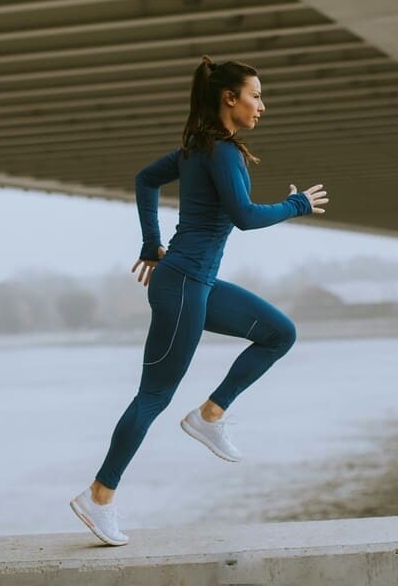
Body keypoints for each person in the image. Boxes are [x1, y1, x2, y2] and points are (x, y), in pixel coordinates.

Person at [69, 56, 328, 546]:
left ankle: (211, 414)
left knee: (280, 333)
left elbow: (146, 179)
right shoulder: (219, 152)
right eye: (255, 95)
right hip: (185, 285)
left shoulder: (198, 149)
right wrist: (297, 204)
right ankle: (99, 497)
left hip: (194, 282)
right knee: (152, 397)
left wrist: (152, 244)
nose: (262, 106)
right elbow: (246, 216)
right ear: (229, 98)